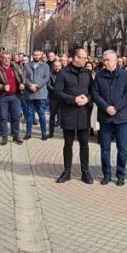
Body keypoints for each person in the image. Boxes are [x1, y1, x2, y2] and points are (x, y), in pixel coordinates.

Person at [92, 50, 127, 186]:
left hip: (121, 118)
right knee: (105, 148)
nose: (105, 62)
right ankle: (107, 174)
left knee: (122, 148)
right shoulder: (99, 75)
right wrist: (106, 107)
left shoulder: (125, 75)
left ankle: (120, 175)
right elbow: (95, 94)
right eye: (104, 60)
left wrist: (115, 107)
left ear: (116, 60)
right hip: (105, 117)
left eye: (108, 60)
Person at [54, 48, 94, 184]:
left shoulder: (87, 72)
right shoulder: (63, 72)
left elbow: (92, 91)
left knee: (84, 143)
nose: (86, 60)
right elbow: (57, 92)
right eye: (83, 58)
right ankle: (67, 171)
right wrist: (73, 99)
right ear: (76, 58)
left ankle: (85, 172)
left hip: (83, 113)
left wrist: (87, 99)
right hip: (69, 112)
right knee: (68, 143)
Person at [0, 52, 25, 145]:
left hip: (15, 96)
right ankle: (4, 136)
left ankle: (15, 135)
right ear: (1, 59)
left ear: (10, 59)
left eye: (8, 58)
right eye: (4, 58)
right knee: (3, 117)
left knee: (16, 116)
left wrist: (22, 83)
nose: (6, 60)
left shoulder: (15, 66)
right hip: (3, 96)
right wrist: (2, 87)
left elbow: (22, 76)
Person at [24, 49, 51, 141]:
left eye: (38, 55)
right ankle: (28, 133)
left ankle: (43, 133)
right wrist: (30, 85)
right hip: (30, 93)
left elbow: (46, 78)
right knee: (29, 114)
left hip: (40, 93)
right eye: (35, 55)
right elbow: (24, 77)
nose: (36, 56)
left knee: (41, 113)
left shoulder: (45, 66)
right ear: (32, 55)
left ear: (41, 55)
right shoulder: (27, 65)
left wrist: (37, 85)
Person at [47, 60, 63, 138]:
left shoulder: (65, 74)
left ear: (61, 66)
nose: (57, 67)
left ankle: (65, 133)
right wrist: (56, 91)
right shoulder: (50, 74)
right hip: (53, 97)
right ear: (53, 67)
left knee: (64, 116)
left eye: (58, 66)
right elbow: (48, 84)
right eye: (55, 66)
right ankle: (51, 133)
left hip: (63, 97)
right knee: (52, 116)